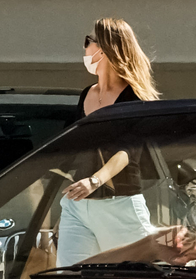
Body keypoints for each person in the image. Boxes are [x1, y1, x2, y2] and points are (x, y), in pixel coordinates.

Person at [56, 17, 161, 265]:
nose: (84, 49)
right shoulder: (86, 95)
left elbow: (128, 151)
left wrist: (95, 180)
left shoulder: (133, 97)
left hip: (119, 204)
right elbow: (70, 147)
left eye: (86, 41)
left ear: (103, 48)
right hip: (78, 206)